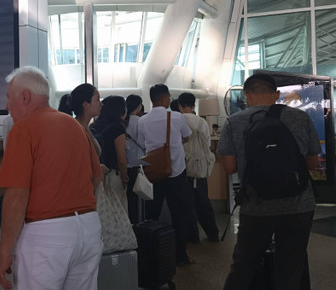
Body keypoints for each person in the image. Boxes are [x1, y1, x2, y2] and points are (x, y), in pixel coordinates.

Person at [0, 66, 103, 290]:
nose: (7, 106)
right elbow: (96, 176)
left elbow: (16, 196)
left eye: (9, 98)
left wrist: (4, 251)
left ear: (24, 97)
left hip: (46, 235)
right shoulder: (74, 125)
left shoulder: (23, 128)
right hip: (89, 228)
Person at [218, 74, 320, 290]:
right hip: (299, 205)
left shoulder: (234, 122)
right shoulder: (300, 118)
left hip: (256, 207)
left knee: (244, 265)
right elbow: (312, 163)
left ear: (246, 96)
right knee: (291, 266)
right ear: (276, 94)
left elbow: (229, 167)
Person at [137, 84, 194, 266]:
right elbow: (187, 136)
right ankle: (180, 256)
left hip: (153, 173)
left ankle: (152, 254)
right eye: (168, 97)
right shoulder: (176, 117)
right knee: (179, 214)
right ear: (163, 99)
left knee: (152, 214)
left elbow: (141, 143)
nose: (170, 100)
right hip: (176, 172)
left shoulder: (142, 121)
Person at [178, 92, 220, 242]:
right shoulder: (202, 122)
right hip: (200, 166)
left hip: (183, 166)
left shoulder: (178, 119)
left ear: (179, 106)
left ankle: (192, 235)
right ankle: (212, 232)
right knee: (203, 200)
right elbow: (207, 144)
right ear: (193, 105)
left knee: (186, 202)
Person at [91, 96, 129, 206]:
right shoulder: (118, 128)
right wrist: (124, 178)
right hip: (113, 175)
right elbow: (121, 159)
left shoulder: (94, 126)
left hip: (98, 175)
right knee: (118, 211)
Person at [124, 94, 144, 224]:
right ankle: (138, 222)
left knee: (129, 196)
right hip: (138, 161)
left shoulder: (122, 119)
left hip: (125, 162)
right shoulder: (140, 121)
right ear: (139, 106)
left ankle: (130, 222)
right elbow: (143, 143)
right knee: (139, 194)